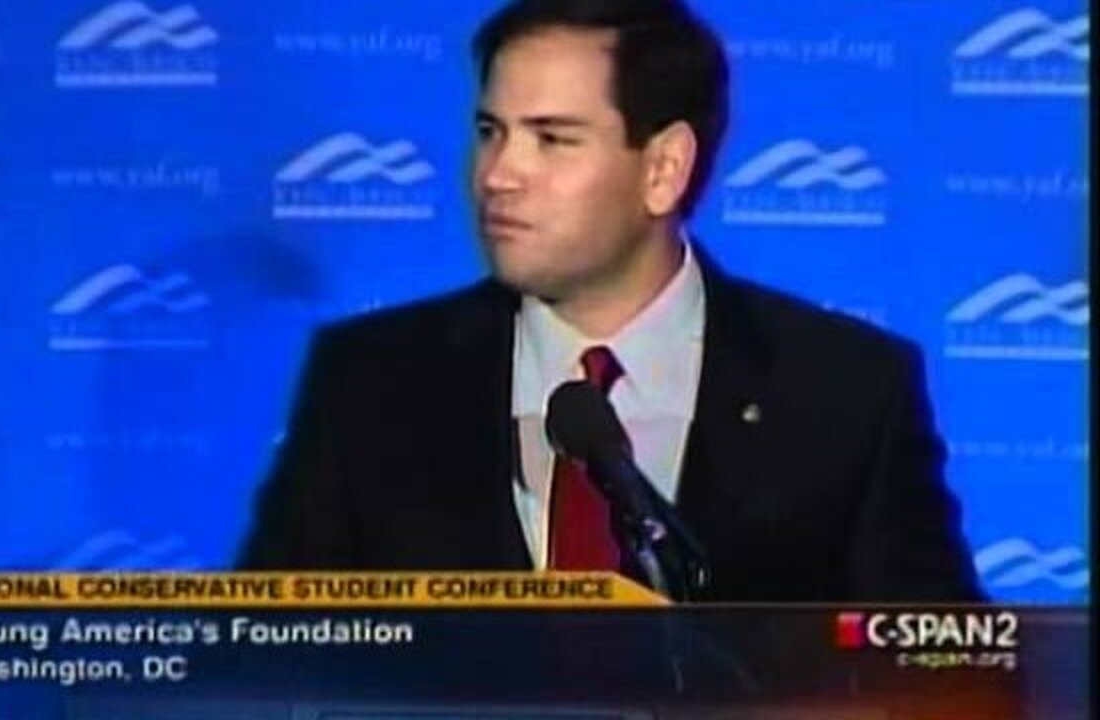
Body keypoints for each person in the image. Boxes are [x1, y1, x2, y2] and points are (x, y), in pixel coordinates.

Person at [237, 0, 985, 602]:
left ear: (663, 168)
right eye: (490, 132)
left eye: (552, 139)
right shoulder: (369, 381)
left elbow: (944, 675)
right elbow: (261, 662)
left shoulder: (846, 390)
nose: (499, 174)